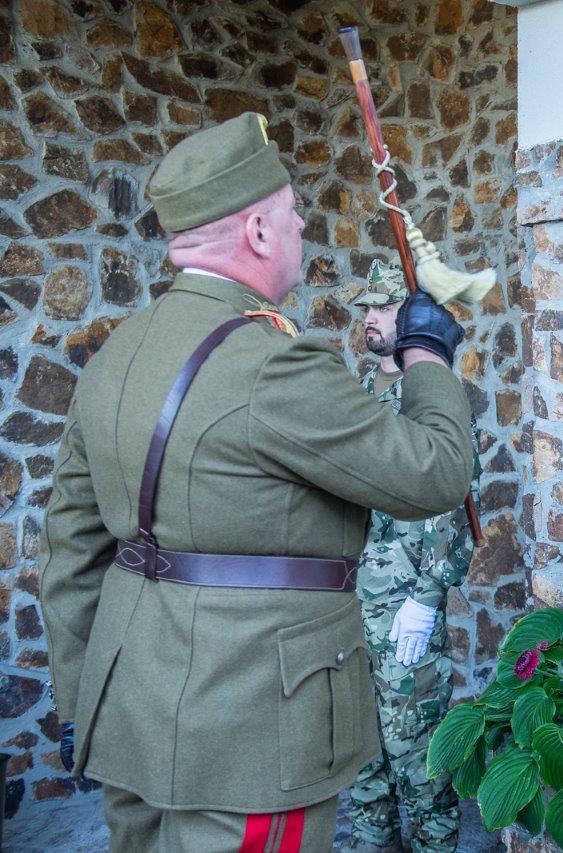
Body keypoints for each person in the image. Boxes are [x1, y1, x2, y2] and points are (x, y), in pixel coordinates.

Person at [38, 112, 474, 852]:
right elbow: (432, 470)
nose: (302, 229)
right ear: (259, 233)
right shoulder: (276, 362)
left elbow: (71, 548)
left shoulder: (117, 354)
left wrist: (90, 698)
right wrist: (428, 350)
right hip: (255, 728)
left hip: (131, 712)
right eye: (295, 216)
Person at [342, 260, 475, 852]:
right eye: (364, 308)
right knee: (363, 761)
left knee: (419, 764)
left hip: (404, 609)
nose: (368, 319)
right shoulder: (359, 394)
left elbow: (453, 504)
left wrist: (427, 596)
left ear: (415, 316)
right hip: (351, 603)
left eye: (382, 307)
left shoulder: (436, 395)